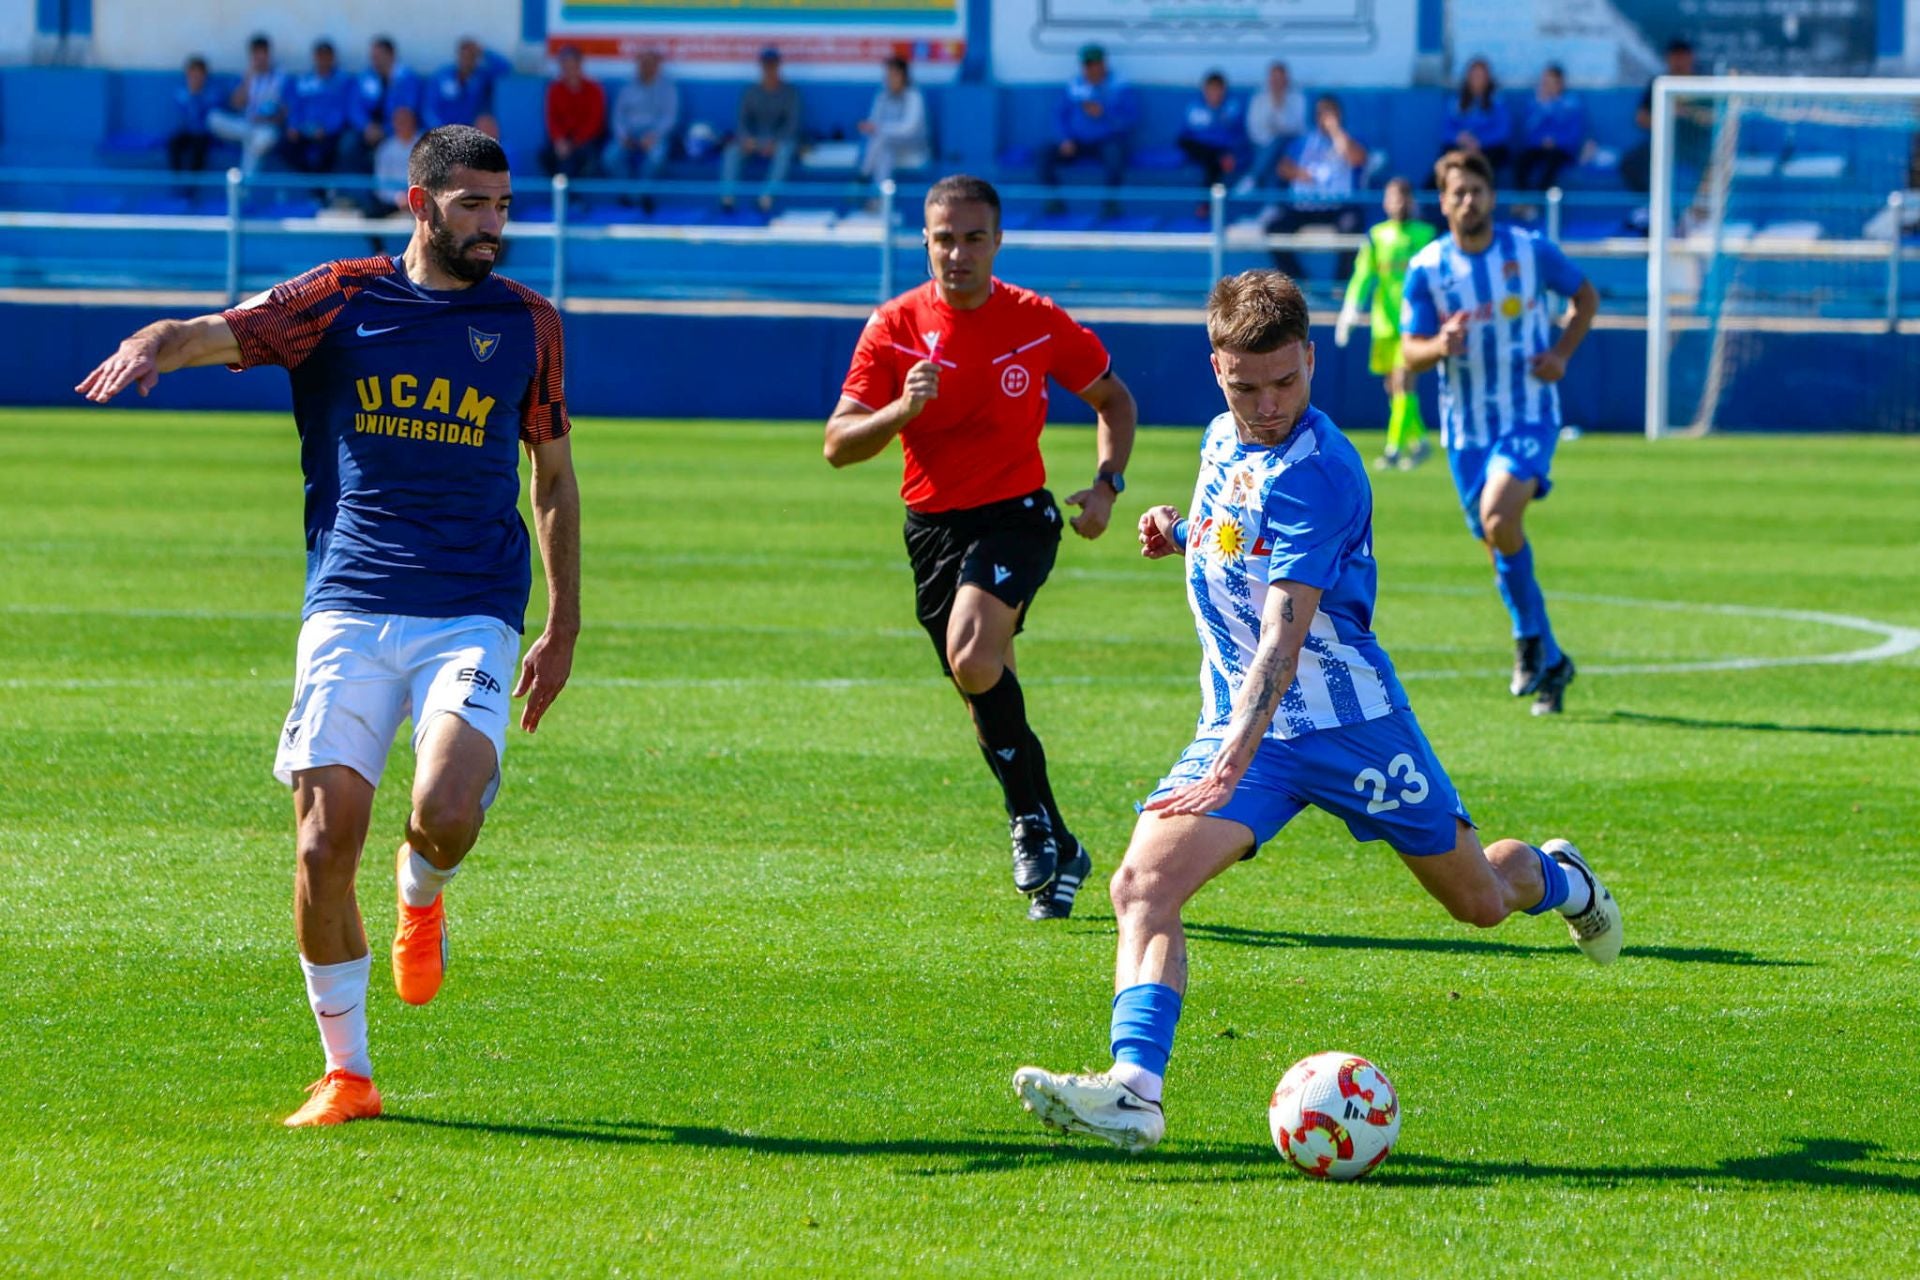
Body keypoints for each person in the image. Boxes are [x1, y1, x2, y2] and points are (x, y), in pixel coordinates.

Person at [1010, 268, 1621, 1153]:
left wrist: (1228, 758)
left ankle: (1559, 877)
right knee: (1141, 884)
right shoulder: (1224, 440)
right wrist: (1180, 532)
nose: (1265, 405)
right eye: (1243, 385)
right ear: (1215, 366)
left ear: (1311, 360)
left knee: (1481, 902)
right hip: (1248, 736)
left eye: (1284, 383)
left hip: (1350, 728)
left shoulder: (1323, 474)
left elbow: (1281, 642)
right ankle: (1135, 1091)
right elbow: (1237, 531)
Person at [75, 124, 581, 1127]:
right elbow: (223, 329)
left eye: (503, 206)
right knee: (320, 844)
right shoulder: (341, 297)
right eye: (473, 204)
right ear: (419, 203)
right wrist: (155, 343)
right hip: (347, 605)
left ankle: (423, 886)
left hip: (471, 608)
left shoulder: (529, 322)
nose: (493, 224)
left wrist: (562, 624)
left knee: (442, 805)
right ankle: (347, 1073)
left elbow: (554, 476)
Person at [823, 175, 1138, 921]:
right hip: (933, 530)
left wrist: (1106, 485)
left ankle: (1027, 823)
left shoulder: (1033, 319)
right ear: (924, 240)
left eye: (972, 238)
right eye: (943, 238)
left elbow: (1113, 399)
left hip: (1018, 516)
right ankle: (1058, 837)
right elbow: (837, 444)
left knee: (971, 655)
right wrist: (902, 409)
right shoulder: (894, 327)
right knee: (981, 692)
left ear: (997, 242)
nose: (956, 253)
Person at [1400, 149, 1598, 714]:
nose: (1468, 201)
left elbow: (1585, 297)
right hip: (1467, 431)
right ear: (1442, 203)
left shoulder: (1529, 252)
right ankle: (1551, 657)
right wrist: (1441, 345)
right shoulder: (1427, 269)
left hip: (1528, 412)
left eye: (1476, 191)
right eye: (1457, 193)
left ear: (1492, 196)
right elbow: (1409, 352)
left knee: (1498, 516)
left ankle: (1527, 643)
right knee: (1496, 541)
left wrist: (1561, 353)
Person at [1335, 178, 1437, 470]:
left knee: (1405, 381)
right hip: (1384, 323)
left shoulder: (1426, 234)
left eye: (1404, 198)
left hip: (1415, 324)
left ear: (1411, 201)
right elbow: (1363, 275)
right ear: (1385, 202)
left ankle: (1394, 450)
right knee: (1392, 386)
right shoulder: (1377, 236)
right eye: (1394, 198)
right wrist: (1351, 309)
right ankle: (1420, 442)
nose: (1399, 204)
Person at [1266, 95, 1368, 280]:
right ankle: (1298, 281)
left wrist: (1335, 130)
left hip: (1338, 207)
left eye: (1330, 112)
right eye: (1321, 112)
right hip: (1305, 206)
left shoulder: (1350, 139)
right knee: (1275, 227)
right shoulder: (1304, 141)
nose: (1325, 116)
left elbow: (1356, 158)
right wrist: (1301, 174)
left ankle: (1340, 284)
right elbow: (1282, 167)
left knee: (1352, 226)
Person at [1038, 44, 1137, 214]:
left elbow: (1131, 119)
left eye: (1095, 64)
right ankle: (1054, 200)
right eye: (1087, 65)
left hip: (1106, 141)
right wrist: (1065, 139)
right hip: (1076, 143)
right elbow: (1059, 116)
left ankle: (1110, 203)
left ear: (1103, 64)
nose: (1091, 69)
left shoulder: (1119, 87)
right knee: (1044, 153)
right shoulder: (1074, 86)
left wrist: (1105, 113)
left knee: (1115, 154)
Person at [720, 47, 801, 214]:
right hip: (753, 141)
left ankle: (767, 197)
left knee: (785, 151)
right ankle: (727, 197)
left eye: (772, 65)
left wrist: (775, 141)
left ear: (778, 66)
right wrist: (747, 138)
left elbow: (792, 124)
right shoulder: (751, 91)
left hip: (778, 141)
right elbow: (742, 121)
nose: (769, 69)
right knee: (732, 151)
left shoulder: (790, 92)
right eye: (766, 65)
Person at [1621, 38, 1705, 195]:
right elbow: (1641, 119)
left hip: (1695, 144)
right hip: (1664, 142)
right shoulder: (1659, 84)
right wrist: (1667, 115)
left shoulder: (1704, 85)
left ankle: (1698, 213)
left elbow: (1713, 119)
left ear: (1690, 58)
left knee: (1712, 166)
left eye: (1682, 56)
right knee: (1630, 163)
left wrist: (1690, 114)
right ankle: (1650, 204)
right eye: (1675, 57)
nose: (1678, 62)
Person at [340, 37, 424, 179]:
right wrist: (366, 127)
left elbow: (407, 111)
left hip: (394, 131)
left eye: (379, 56)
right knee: (348, 144)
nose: (375, 61)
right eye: (373, 57)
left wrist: (385, 129)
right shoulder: (365, 77)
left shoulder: (408, 79)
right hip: (367, 131)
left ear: (391, 55)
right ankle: (354, 194)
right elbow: (354, 107)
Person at [206, 34, 287, 176]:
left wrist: (267, 119)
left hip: (268, 127)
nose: (260, 58)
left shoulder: (280, 77)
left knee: (260, 140)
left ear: (269, 54)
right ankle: (242, 184)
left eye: (263, 53)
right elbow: (236, 104)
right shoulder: (247, 76)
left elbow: (285, 111)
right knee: (213, 118)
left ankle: (244, 185)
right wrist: (248, 79)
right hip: (246, 125)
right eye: (256, 54)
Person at [605, 49, 679, 203]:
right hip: (629, 134)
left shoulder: (668, 88)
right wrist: (623, 136)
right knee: (610, 156)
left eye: (650, 64)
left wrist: (654, 136)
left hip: (654, 136)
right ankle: (625, 191)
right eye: (643, 64)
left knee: (657, 156)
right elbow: (617, 116)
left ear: (657, 66)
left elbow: (670, 118)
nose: (646, 67)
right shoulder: (627, 87)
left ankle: (641, 194)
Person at [282, 39, 352, 176]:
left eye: (327, 56)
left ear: (333, 58)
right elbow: (295, 106)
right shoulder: (304, 81)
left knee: (334, 149)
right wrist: (294, 125)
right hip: (305, 131)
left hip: (330, 133)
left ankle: (323, 190)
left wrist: (326, 129)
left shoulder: (343, 82)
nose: (323, 60)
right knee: (285, 145)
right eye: (320, 56)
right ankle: (307, 184)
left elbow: (343, 111)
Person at [857, 56, 930, 188]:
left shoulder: (914, 96)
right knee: (885, 153)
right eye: (888, 75)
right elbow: (874, 121)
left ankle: (863, 175)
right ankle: (880, 199)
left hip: (914, 144)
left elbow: (909, 128)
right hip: (888, 143)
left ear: (903, 76)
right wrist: (870, 127)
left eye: (894, 75)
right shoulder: (882, 95)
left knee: (882, 137)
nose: (890, 79)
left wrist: (879, 128)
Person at [1237, 60, 1307, 195]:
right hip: (1261, 145)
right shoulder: (1259, 98)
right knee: (1274, 158)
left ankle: (1253, 177)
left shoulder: (1298, 98)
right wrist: (1270, 138)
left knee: (1280, 141)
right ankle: (1271, 208)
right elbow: (1253, 128)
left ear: (1287, 79)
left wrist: (1279, 106)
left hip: (1289, 144)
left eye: (1281, 78)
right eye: (1274, 78)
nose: (1277, 82)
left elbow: (1297, 128)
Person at [1515, 64, 1588, 191]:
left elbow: (1574, 134)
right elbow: (1527, 132)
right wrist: (1540, 107)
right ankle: (1523, 201)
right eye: (1545, 82)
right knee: (1521, 161)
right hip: (1538, 148)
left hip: (1562, 149)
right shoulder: (1535, 104)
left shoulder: (1572, 105)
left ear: (1560, 84)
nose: (1547, 86)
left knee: (1553, 161)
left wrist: (1555, 141)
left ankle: (1541, 202)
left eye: (1552, 82)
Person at [1438, 57, 1511, 183]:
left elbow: (1502, 131)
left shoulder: (1497, 101)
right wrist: (1460, 138)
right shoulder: (1456, 102)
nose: (1477, 79)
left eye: (1481, 75)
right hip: (1460, 147)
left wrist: (1479, 142)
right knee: (1444, 160)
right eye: (1474, 75)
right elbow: (1445, 130)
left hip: (1488, 149)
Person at [541, 45, 606, 180]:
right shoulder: (555, 89)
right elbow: (552, 119)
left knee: (582, 158)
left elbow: (594, 122)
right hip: (562, 140)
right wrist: (559, 140)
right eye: (565, 65)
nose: (569, 69)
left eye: (572, 65)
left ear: (580, 64)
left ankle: (576, 198)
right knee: (545, 155)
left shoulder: (594, 89)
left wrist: (574, 143)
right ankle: (559, 196)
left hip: (586, 139)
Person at [1176, 71, 1244, 193]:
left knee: (1214, 161)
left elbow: (1236, 136)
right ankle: (1214, 200)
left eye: (1218, 89)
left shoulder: (1232, 108)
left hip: (1220, 149)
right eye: (1211, 89)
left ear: (1224, 90)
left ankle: (1208, 202)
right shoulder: (1195, 107)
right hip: (1197, 148)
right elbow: (1185, 134)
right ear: (1204, 90)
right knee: (1213, 156)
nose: (1214, 93)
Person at [425, 37, 512, 130]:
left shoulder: (482, 76)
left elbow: (505, 67)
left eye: (471, 56)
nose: (466, 61)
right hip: (446, 131)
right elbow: (430, 107)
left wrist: (484, 51)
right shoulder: (442, 76)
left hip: (472, 133)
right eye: (463, 56)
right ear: (458, 56)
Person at [168, 55, 219, 177]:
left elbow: (211, 117)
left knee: (199, 148)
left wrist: (198, 96)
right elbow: (183, 117)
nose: (196, 78)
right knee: (174, 143)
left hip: (204, 134)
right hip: (187, 132)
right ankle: (177, 179)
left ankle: (194, 183)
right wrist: (192, 95)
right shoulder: (181, 94)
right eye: (192, 74)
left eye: (199, 74)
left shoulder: (212, 94)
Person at [371, 104, 421, 212]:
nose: (403, 125)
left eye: (406, 121)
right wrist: (397, 198)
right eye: (400, 122)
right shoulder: (385, 149)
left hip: (421, 201)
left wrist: (415, 197)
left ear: (414, 122)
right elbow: (381, 183)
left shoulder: (425, 146)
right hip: (392, 205)